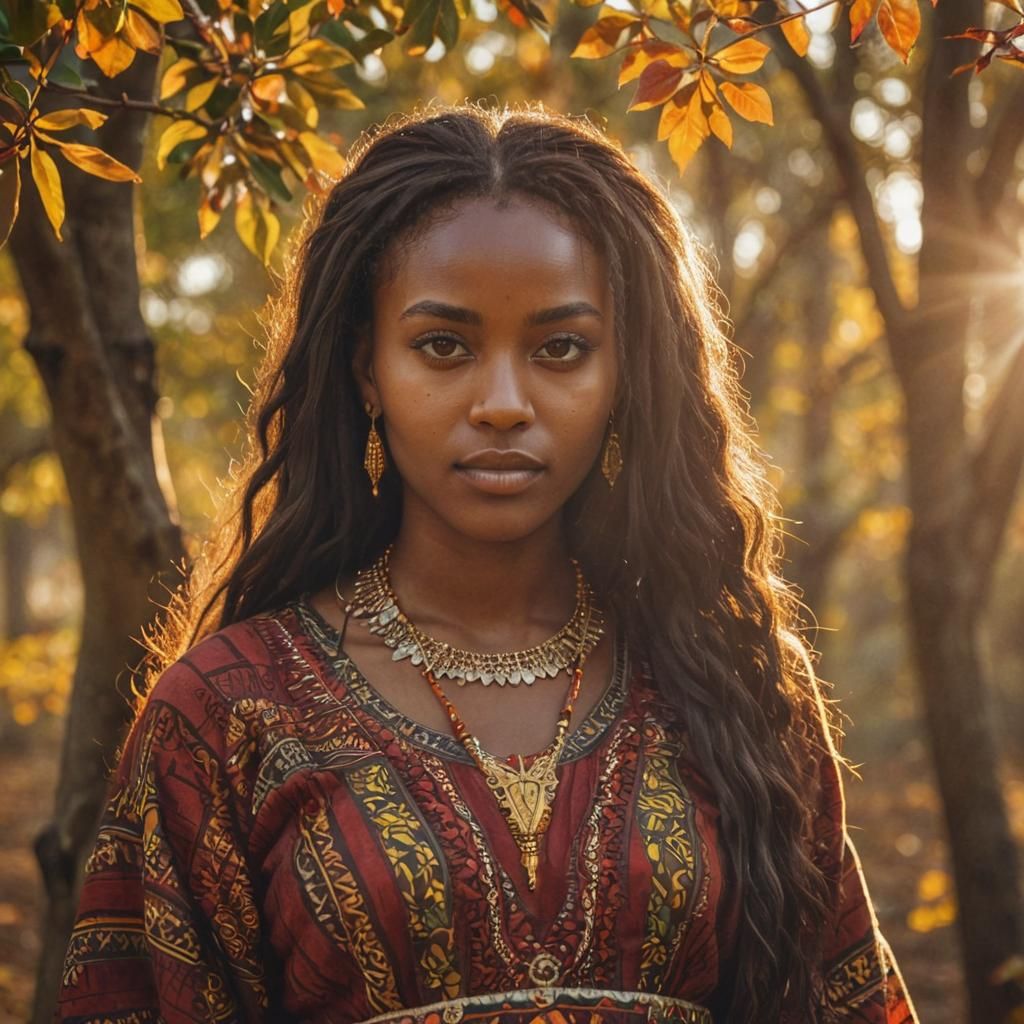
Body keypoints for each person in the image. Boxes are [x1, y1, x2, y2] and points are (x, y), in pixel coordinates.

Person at [55, 103, 919, 1024]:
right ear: (367, 370)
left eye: (561, 349)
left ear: (625, 374)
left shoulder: (733, 684)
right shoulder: (226, 714)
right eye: (443, 346)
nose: (503, 402)